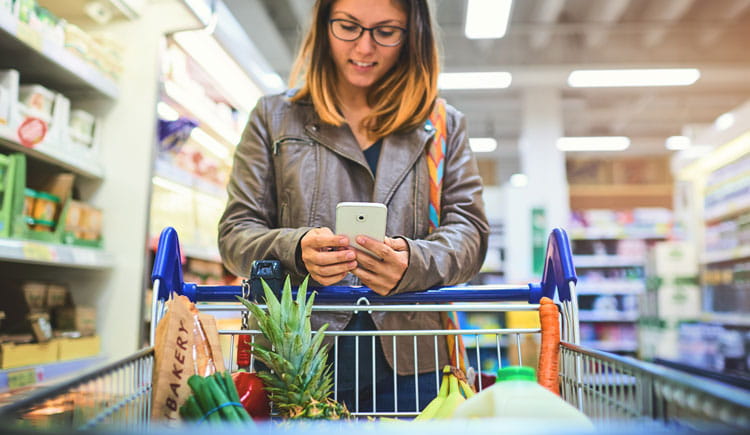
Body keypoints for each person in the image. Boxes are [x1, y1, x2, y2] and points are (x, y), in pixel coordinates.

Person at [218, 0, 489, 413]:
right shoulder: (273, 117)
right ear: (323, 26)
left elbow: (470, 232)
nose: (364, 48)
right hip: (296, 360)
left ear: (412, 35)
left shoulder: (443, 124)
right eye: (348, 26)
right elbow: (236, 233)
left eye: (386, 31)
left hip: (413, 360)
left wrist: (414, 260)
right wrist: (295, 249)